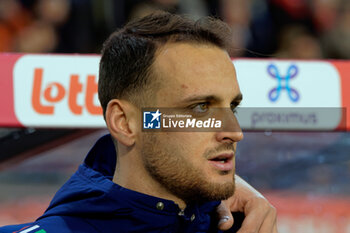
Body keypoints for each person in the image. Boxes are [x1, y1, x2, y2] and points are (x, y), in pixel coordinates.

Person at [0, 11, 277, 233]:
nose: (235, 132)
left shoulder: (246, 223)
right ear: (124, 123)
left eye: (232, 107)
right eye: (201, 107)